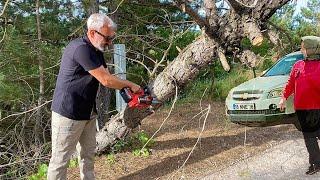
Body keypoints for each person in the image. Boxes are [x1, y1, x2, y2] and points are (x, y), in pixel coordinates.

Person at [47, 13, 141, 179]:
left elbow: (106, 74)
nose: (110, 42)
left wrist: (124, 87)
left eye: (112, 38)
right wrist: (131, 85)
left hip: (88, 112)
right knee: (60, 160)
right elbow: (105, 80)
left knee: (88, 154)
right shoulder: (80, 49)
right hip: (68, 114)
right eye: (107, 38)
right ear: (92, 33)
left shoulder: (96, 49)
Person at [279, 36, 320, 175]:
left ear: (311, 49)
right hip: (302, 109)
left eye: (303, 47)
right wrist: (283, 97)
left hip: (318, 108)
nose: (301, 49)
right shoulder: (298, 65)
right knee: (309, 138)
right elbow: (290, 83)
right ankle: (316, 164)